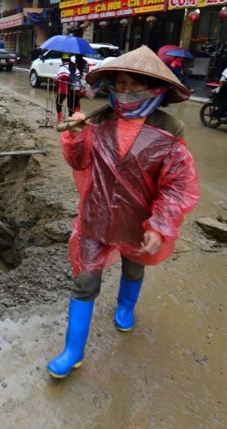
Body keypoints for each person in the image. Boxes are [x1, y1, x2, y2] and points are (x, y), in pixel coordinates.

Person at [47, 45, 200, 379]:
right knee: (84, 281)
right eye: (120, 83)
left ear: (154, 87)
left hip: (137, 221)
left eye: (134, 84)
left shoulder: (170, 128)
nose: (126, 91)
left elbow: (177, 185)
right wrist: (76, 138)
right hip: (96, 216)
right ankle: (73, 351)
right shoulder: (98, 119)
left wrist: (159, 224)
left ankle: (126, 307)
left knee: (134, 269)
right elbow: (79, 162)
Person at [55, 54, 83, 123]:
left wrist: (57, 88)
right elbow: (79, 78)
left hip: (63, 90)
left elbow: (58, 79)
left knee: (58, 102)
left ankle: (59, 118)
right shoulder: (76, 68)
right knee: (71, 105)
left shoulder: (62, 68)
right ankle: (72, 119)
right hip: (74, 89)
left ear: (63, 60)